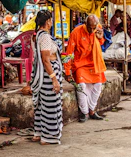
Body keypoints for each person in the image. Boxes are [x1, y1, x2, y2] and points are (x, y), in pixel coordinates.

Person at [64, 14, 107, 122]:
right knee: (81, 86)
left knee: (98, 85)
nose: (92, 30)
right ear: (85, 24)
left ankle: (92, 110)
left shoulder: (98, 28)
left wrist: (101, 37)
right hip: (80, 64)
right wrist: (67, 71)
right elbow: (69, 53)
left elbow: (101, 43)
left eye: (94, 27)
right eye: (90, 27)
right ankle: (85, 112)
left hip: (94, 63)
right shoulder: (76, 32)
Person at [31, 10, 63, 145]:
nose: (51, 22)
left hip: (43, 74)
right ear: (48, 21)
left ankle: (38, 134)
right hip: (48, 74)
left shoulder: (37, 35)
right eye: (51, 20)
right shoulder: (44, 37)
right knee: (51, 105)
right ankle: (48, 137)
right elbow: (45, 60)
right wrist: (54, 79)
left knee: (41, 106)